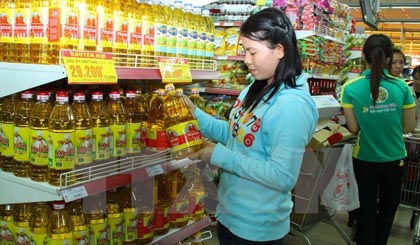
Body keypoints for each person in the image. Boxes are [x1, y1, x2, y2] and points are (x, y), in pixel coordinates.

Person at [186, 7, 318, 244]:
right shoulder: (256, 88)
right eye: (244, 51)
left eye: (252, 52)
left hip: (258, 227)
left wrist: (219, 156)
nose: (246, 60)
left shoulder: (292, 106)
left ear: (279, 50)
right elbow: (234, 134)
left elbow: (282, 176)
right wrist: (193, 113)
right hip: (230, 215)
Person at [340, 34, 416, 245]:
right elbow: (409, 127)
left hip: (364, 158)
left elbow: (353, 128)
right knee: (388, 209)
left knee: (365, 208)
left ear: (363, 55)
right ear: (390, 58)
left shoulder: (350, 88)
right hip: (395, 158)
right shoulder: (402, 87)